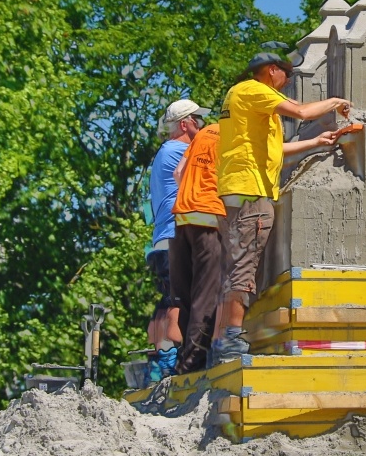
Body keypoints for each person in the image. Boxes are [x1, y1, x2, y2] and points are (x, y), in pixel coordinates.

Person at [211, 51, 352, 363]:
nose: (288, 83)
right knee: (244, 266)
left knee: (235, 264)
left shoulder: (249, 102)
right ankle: (230, 340)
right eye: (286, 75)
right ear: (272, 71)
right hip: (250, 191)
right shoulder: (254, 89)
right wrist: (335, 102)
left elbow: (277, 150)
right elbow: (301, 112)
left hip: (239, 189)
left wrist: (315, 143)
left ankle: (221, 340)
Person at [145, 98, 209, 382]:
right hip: (173, 237)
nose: (203, 127)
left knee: (166, 300)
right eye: (199, 121)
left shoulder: (164, 151)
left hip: (161, 239)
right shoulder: (179, 150)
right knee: (177, 301)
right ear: (185, 124)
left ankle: (160, 357)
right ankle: (169, 358)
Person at [169, 122, 224, 374]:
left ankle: (181, 357)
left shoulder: (204, 134)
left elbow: (178, 174)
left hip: (181, 218)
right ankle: (193, 364)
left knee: (185, 295)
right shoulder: (236, 135)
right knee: (206, 294)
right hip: (208, 219)